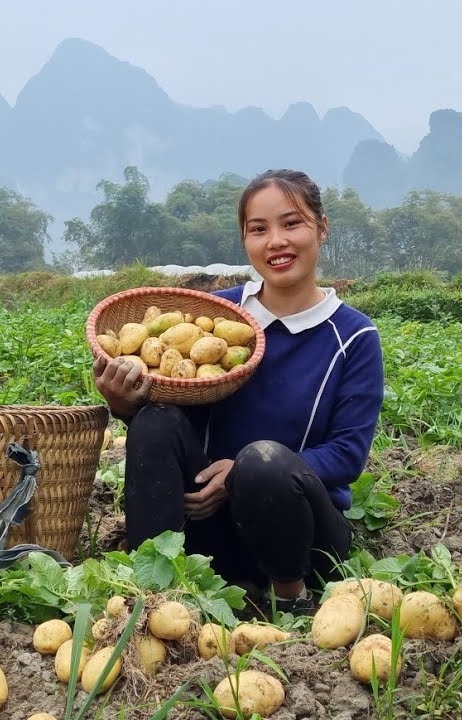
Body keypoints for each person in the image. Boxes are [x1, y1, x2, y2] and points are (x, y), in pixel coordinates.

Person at [92, 169, 385, 616]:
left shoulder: (354, 336)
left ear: (321, 228)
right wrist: (126, 405)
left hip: (303, 536)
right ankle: (153, 597)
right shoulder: (215, 314)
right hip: (209, 527)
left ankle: (290, 600)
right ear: (245, 239)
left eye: (292, 223)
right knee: (154, 421)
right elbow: (176, 415)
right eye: (258, 229)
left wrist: (238, 474)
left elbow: (347, 455)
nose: (276, 242)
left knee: (261, 460)